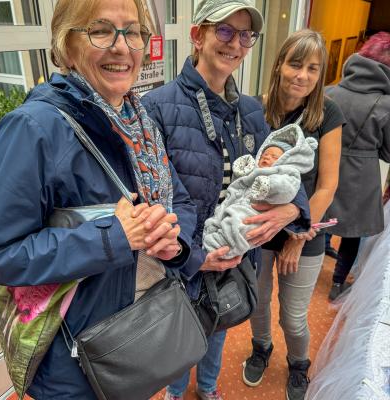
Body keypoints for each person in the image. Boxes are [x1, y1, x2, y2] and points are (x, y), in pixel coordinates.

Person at [0, 0, 197, 398]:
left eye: (132, 31)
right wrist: (112, 237)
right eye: (101, 30)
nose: (121, 47)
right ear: (67, 46)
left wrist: (175, 240)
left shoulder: (142, 124)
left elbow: (181, 203)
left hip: (140, 336)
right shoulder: (34, 129)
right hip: (75, 367)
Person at [142, 1, 311, 399]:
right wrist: (194, 254)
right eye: (224, 31)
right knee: (179, 335)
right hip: (182, 259)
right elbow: (155, 195)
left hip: (235, 254)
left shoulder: (252, 111)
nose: (235, 43)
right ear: (197, 35)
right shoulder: (157, 107)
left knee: (221, 321)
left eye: (245, 34)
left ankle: (209, 387)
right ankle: (175, 391)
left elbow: (283, 168)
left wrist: (293, 209)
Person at [242, 29, 344, 400]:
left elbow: (327, 186)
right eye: (295, 64)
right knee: (257, 299)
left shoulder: (327, 113)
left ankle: (299, 364)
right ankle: (261, 346)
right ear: (279, 65)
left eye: (313, 69)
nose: (302, 75)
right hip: (259, 229)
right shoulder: (256, 108)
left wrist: (299, 236)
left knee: (293, 315)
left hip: (306, 230)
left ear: (320, 75)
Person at [325, 31, 390, 301]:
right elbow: (387, 152)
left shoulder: (329, 91)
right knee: (352, 233)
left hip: (325, 165)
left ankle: (321, 250)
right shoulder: (386, 105)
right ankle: (337, 282)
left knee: (321, 214)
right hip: (361, 178)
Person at [203, 127, 318, 258]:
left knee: (236, 227)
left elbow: (287, 189)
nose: (267, 158)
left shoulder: (285, 174)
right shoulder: (257, 169)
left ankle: (215, 249)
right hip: (232, 202)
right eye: (265, 154)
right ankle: (207, 241)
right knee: (216, 220)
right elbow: (240, 181)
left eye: (274, 157)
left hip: (253, 211)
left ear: (284, 160)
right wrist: (243, 169)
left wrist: (268, 186)